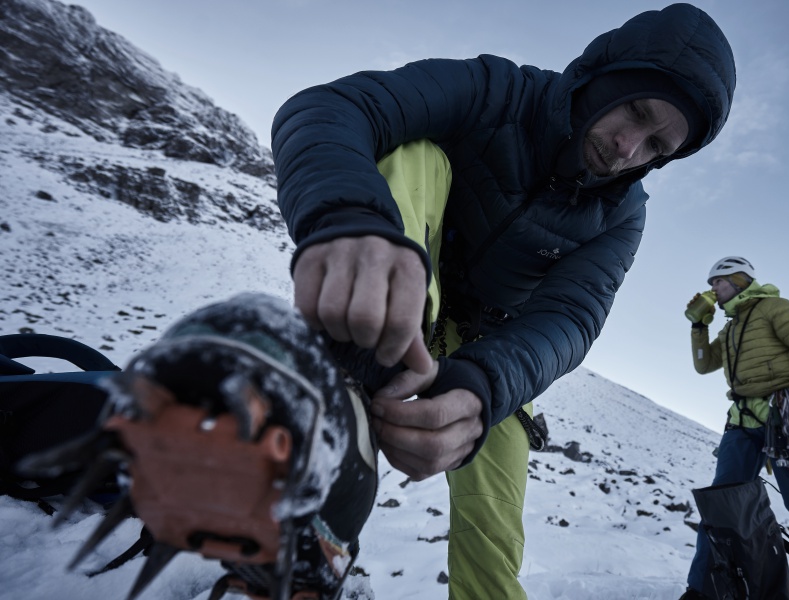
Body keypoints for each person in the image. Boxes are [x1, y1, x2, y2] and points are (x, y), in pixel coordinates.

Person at [18, 5, 736, 600]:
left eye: (657, 147)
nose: (628, 147)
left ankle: (345, 490)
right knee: (415, 154)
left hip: (484, 346)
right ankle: (347, 389)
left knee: (496, 505)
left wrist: (485, 391)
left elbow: (573, 317)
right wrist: (349, 219)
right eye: (634, 112)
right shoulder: (500, 89)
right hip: (389, 269)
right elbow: (336, 107)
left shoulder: (624, 214)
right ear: (601, 75)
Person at [680, 256, 789, 600]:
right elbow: (705, 366)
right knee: (720, 508)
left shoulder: (776, 307)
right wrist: (699, 326)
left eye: (717, 282)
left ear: (739, 279)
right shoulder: (730, 327)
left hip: (786, 417)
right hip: (742, 422)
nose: (712, 289)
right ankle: (702, 592)